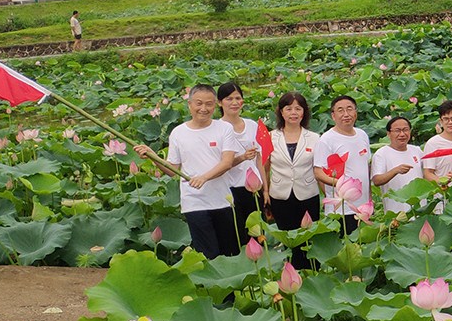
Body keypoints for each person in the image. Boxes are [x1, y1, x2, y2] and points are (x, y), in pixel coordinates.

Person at [135, 84, 244, 258]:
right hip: (194, 202)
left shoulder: (224, 129)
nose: (204, 108)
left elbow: (227, 162)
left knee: (229, 252)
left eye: (209, 104)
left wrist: (204, 178)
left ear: (215, 105)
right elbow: (173, 170)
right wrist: (153, 157)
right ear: (190, 105)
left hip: (222, 200)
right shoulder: (178, 133)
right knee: (208, 253)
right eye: (199, 103)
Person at [264, 91, 320, 266]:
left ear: (304, 112)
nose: (293, 113)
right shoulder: (270, 137)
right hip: (280, 195)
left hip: (308, 194)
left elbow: (318, 169)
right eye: (289, 108)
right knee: (288, 239)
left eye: (298, 108)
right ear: (281, 112)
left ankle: (311, 273)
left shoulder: (314, 138)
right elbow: (265, 167)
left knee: (308, 239)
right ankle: (291, 274)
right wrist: (265, 191)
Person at [313, 95, 372, 233]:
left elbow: (366, 167)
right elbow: (318, 172)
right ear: (333, 116)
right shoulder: (326, 140)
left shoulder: (362, 135)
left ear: (355, 113)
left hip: (363, 206)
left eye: (349, 109)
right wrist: (341, 184)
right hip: (341, 207)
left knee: (362, 247)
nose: (346, 114)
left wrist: (369, 199)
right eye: (340, 110)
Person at [217, 81, 261, 235]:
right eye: (229, 99)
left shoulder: (252, 125)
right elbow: (219, 164)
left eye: (238, 98)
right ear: (220, 102)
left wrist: (266, 188)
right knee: (236, 233)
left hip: (254, 189)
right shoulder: (216, 128)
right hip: (228, 189)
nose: (234, 102)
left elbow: (260, 160)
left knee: (257, 233)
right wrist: (242, 157)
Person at [372, 115, 423, 214]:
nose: (402, 134)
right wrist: (395, 171)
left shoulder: (416, 150)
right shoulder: (381, 154)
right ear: (388, 134)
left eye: (405, 130)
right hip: (396, 213)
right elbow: (376, 180)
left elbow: (427, 172)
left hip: (420, 209)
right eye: (397, 131)